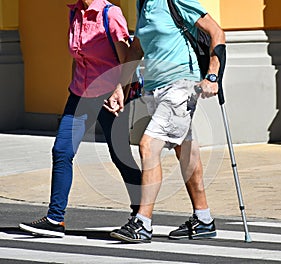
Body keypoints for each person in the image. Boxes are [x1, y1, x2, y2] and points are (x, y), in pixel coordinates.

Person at [105, 0, 226, 243]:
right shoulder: (142, 5)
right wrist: (121, 88)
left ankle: (143, 222)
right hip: (154, 88)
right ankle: (203, 219)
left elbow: (217, 32)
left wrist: (213, 75)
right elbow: (137, 49)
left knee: (148, 145)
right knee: (186, 148)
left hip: (181, 84)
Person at [19, 0, 141, 238]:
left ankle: (141, 213)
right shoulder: (75, 13)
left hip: (109, 96)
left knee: (120, 156)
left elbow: (127, 61)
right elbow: (79, 58)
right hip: (79, 95)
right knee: (62, 151)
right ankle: (55, 219)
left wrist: (120, 93)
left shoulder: (110, 14)